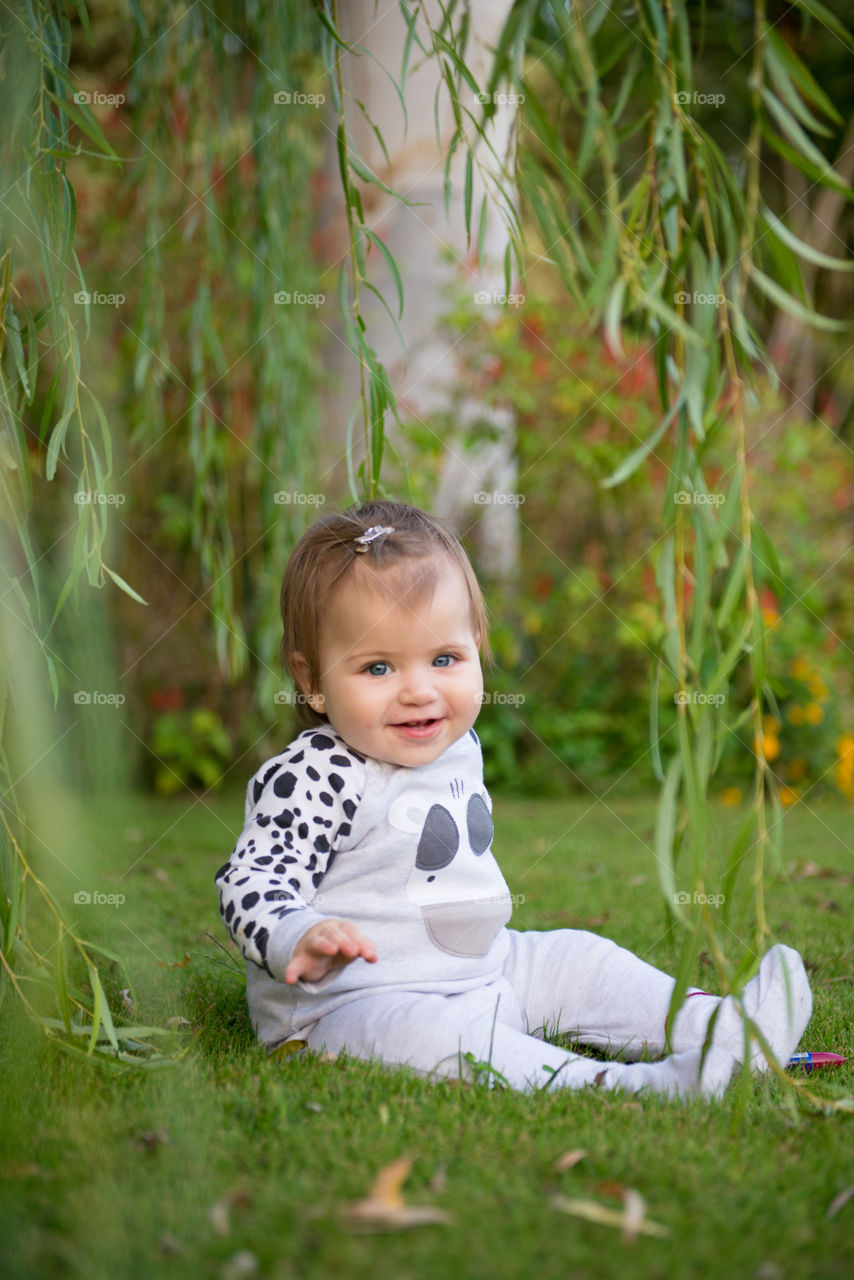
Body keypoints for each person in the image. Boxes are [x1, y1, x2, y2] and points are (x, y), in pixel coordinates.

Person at [214, 500, 812, 1099]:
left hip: (488, 969)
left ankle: (733, 1031)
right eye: (377, 668)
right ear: (311, 678)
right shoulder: (316, 773)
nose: (420, 691)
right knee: (440, 1038)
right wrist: (297, 934)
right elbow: (251, 879)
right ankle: (626, 1086)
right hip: (352, 1009)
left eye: (444, 659)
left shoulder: (458, 745)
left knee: (580, 961)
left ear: (475, 646)